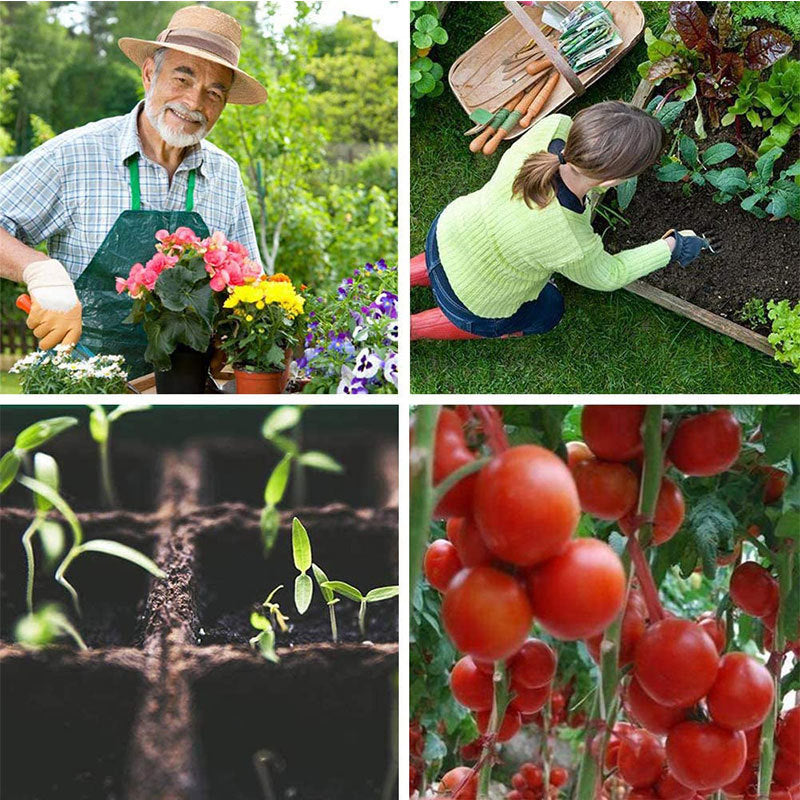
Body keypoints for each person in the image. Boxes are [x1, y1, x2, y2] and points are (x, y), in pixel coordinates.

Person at [0, 5, 267, 376]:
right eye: (182, 79)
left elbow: (251, 285)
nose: (194, 103)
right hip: (82, 387)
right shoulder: (75, 154)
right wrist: (41, 271)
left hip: (188, 395)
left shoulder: (224, 174)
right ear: (148, 74)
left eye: (214, 93)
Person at [410, 101, 712, 340]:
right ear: (613, 181)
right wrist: (671, 246)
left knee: (457, 257)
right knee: (549, 309)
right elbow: (610, 274)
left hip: (447, 232)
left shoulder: (553, 127)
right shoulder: (569, 238)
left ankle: (404, 275)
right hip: (472, 303)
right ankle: (409, 329)